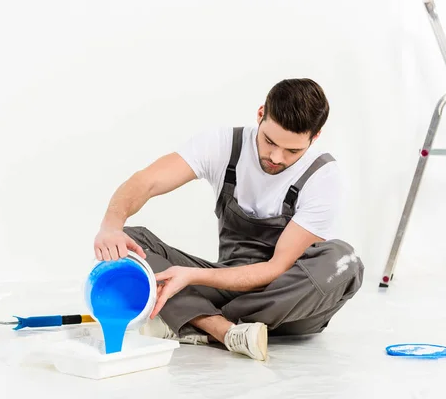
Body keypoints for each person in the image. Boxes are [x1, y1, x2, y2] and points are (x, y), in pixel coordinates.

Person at [93, 78, 364, 361]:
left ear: (315, 137)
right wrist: (110, 227)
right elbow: (146, 182)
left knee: (344, 262)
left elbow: (275, 268)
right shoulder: (224, 145)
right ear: (261, 114)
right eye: (269, 140)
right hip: (223, 284)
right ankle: (225, 331)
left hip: (286, 305)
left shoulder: (323, 176)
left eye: (292, 151)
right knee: (131, 240)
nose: (275, 156)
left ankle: (194, 319)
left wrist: (193, 277)